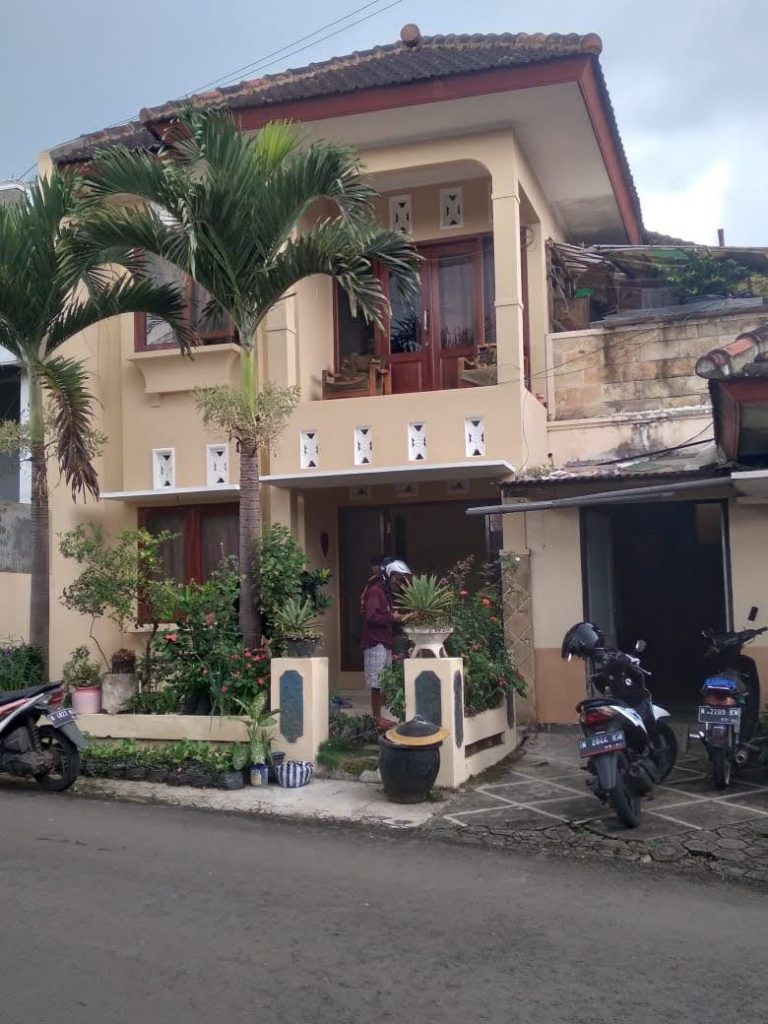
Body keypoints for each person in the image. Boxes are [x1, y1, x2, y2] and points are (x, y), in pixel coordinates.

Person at [360, 557, 412, 729]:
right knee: (377, 683)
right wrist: (393, 617)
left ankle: (379, 717)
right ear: (387, 575)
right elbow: (371, 617)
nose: (399, 581)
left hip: (384, 641)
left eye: (401, 578)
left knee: (384, 682)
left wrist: (401, 617)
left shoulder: (385, 593)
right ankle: (377, 718)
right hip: (375, 641)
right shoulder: (376, 592)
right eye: (396, 577)